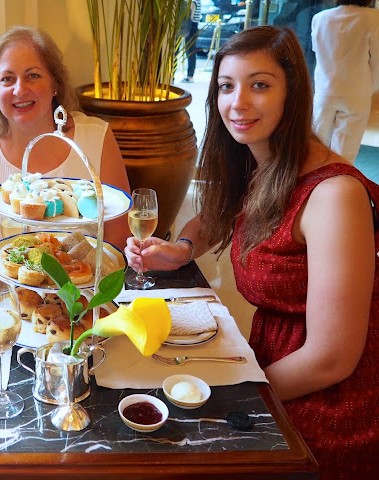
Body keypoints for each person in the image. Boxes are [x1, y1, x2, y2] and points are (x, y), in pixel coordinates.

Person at [125, 26, 379, 479]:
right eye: (226, 86)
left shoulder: (334, 194)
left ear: (293, 94)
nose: (237, 103)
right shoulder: (260, 161)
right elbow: (215, 217)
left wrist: (231, 393)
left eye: (259, 84)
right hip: (274, 359)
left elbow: (333, 357)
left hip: (332, 402)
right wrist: (183, 249)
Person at [0, 26, 131, 276]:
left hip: (80, 302)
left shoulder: (95, 137)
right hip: (0, 302)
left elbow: (119, 238)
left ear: (55, 84)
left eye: (33, 75)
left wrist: (65, 276)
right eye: (7, 79)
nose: (19, 89)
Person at [312, 0, 379, 163]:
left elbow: (318, 55)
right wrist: (371, 88)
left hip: (323, 91)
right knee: (344, 153)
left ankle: (312, 184)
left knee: (316, 145)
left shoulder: (319, 18)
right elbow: (377, 60)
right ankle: (338, 183)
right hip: (357, 92)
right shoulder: (373, 18)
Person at [181, 0, 202, 83]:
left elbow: (190, 15)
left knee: (190, 50)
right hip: (193, 25)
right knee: (191, 50)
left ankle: (190, 75)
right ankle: (190, 75)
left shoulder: (193, 1)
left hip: (189, 24)